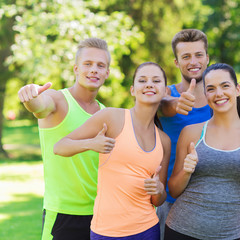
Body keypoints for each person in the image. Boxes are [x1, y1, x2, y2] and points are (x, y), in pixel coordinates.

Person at [53, 62, 171, 239]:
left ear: (164, 91)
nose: (149, 84)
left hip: (147, 230)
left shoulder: (164, 140)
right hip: (106, 232)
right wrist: (91, 144)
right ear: (132, 90)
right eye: (142, 80)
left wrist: (159, 189)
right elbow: (60, 146)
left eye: (156, 81)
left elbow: (158, 200)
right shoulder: (112, 117)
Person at [17, 38, 110, 240]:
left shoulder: (104, 113)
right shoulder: (58, 100)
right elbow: (40, 106)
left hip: (99, 216)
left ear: (107, 73)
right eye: (88, 64)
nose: (94, 69)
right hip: (62, 215)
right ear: (76, 69)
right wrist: (30, 96)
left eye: (100, 65)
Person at [164, 63, 240, 240]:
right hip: (181, 230)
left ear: (237, 89)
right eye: (211, 89)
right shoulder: (192, 132)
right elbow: (173, 191)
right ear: (206, 95)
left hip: (227, 235)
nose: (219, 94)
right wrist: (186, 171)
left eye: (225, 86)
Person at [156, 29, 214, 239]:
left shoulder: (220, 98)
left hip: (212, 204)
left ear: (207, 58)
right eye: (186, 57)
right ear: (176, 62)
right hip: (171, 203)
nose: (193, 61)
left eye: (198, 55)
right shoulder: (166, 93)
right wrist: (176, 103)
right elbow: (161, 105)